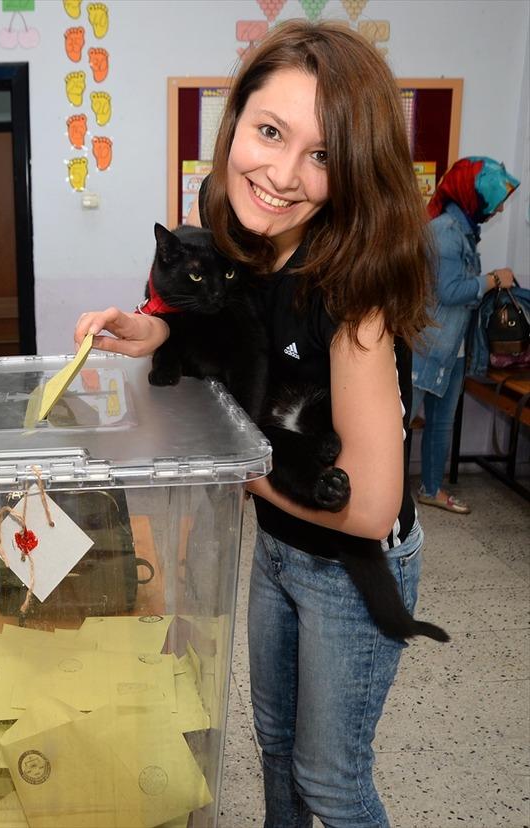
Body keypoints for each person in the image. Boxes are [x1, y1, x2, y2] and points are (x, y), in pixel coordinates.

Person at [75, 21, 433, 827]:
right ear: (233, 121)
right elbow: (229, 327)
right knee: (274, 743)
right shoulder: (239, 232)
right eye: (269, 131)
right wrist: (156, 329)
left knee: (332, 781)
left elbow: (371, 507)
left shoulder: (355, 297)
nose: (281, 174)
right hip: (279, 536)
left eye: (322, 153)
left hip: (349, 559)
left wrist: (230, 466)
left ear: (356, 171)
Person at [411, 157, 519, 515]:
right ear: (477, 198)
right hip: (428, 346)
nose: (502, 207)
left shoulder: (463, 231)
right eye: (498, 199)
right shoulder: (445, 231)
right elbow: (450, 291)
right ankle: (382, 495)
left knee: (442, 422)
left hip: (451, 349)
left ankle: (430, 488)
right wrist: (493, 279)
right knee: (398, 425)